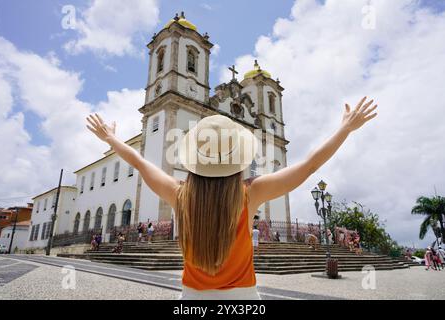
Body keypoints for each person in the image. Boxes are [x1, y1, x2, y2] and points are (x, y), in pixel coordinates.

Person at [85, 96, 378, 300]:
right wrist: (345, 129)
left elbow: (138, 162)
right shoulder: (250, 194)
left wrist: (110, 138)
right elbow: (309, 165)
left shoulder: (178, 194)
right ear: (238, 159)